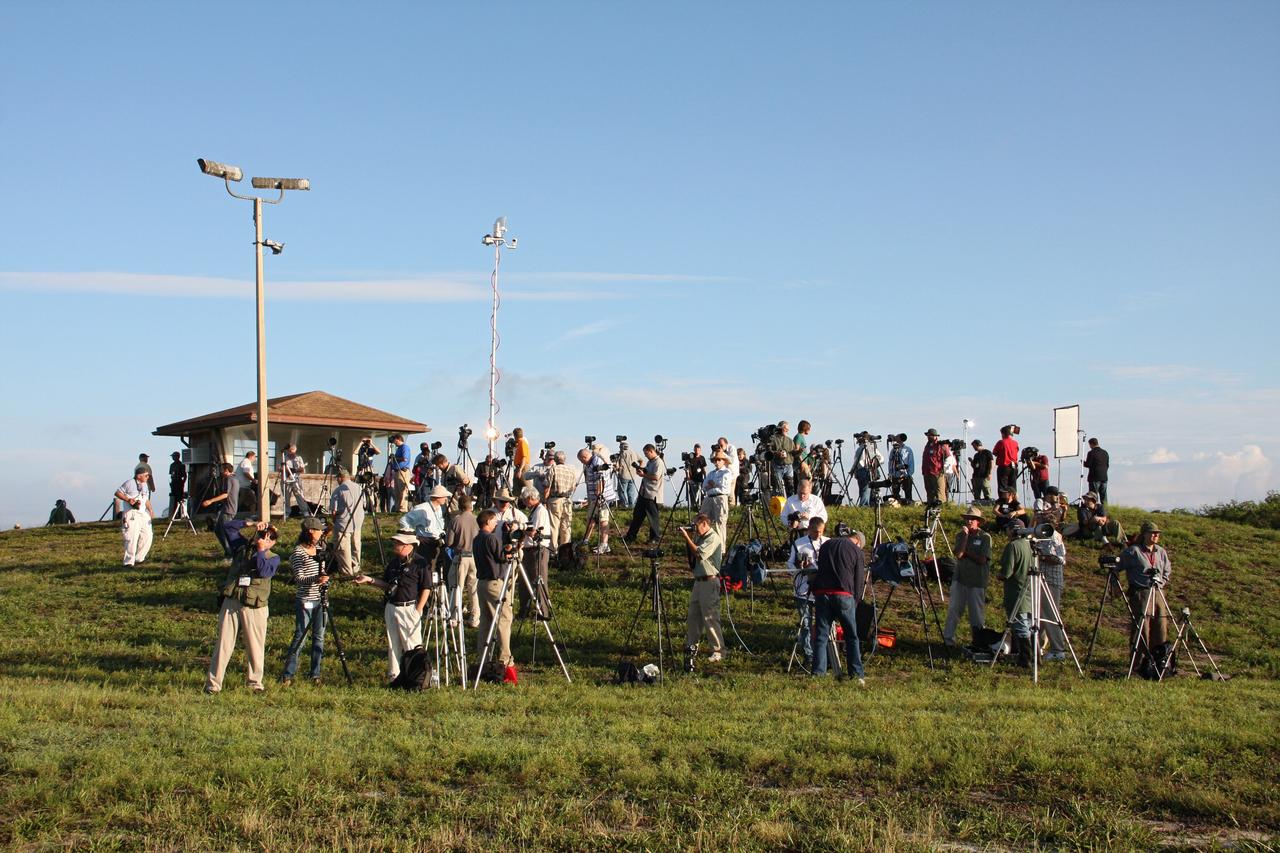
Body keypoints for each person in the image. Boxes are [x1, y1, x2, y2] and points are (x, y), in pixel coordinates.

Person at [205, 521, 279, 694]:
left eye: (270, 537)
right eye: (262, 534)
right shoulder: (241, 547)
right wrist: (251, 523)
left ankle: (255, 683)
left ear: (274, 542)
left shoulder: (273, 558)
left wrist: (261, 550)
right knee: (223, 644)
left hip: (254, 607)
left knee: (255, 646)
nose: (264, 538)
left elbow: (263, 571)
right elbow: (227, 527)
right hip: (232, 601)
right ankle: (213, 685)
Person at [353, 532, 431, 683]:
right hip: (391, 606)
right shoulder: (394, 563)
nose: (395, 546)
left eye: (398, 543)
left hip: (409, 608)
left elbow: (426, 588)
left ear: (408, 546)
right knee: (392, 643)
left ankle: (416, 677)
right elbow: (387, 584)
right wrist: (369, 580)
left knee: (412, 644)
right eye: (395, 543)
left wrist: (419, 609)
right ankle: (394, 677)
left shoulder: (420, 563)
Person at [810, 526, 867, 683]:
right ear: (858, 542)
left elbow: (820, 568)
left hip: (822, 593)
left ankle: (818, 673)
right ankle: (856, 673)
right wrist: (854, 603)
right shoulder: (857, 552)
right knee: (851, 637)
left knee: (821, 636)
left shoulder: (826, 545)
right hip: (844, 595)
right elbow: (858, 581)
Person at [281, 517, 330, 685]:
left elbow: (324, 572)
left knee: (319, 637)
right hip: (306, 600)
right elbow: (299, 578)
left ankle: (315, 673)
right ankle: (288, 674)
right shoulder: (298, 553)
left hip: (321, 599)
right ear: (310, 531)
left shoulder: (319, 550)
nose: (321, 533)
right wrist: (316, 579)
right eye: (319, 531)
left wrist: (325, 579)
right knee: (301, 635)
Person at [1120, 521, 1172, 671]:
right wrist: (1116, 586)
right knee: (1142, 628)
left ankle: (1160, 661)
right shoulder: (1133, 551)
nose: (1156, 535)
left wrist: (1161, 582)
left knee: (1161, 626)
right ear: (1145, 534)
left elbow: (1167, 570)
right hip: (1141, 592)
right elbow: (1118, 566)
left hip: (1157, 591)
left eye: (1158, 533)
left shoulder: (1160, 551)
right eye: (1153, 533)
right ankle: (1138, 663)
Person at [942, 505, 993, 648]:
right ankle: (948, 639)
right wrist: (965, 538)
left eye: (973, 519)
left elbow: (983, 559)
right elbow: (958, 554)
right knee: (954, 609)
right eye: (968, 519)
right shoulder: (960, 535)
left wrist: (967, 554)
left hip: (977, 581)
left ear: (978, 522)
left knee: (976, 614)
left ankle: (978, 642)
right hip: (960, 579)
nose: (969, 521)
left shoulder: (985, 538)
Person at [679, 514, 724, 671]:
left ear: (705, 524)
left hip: (710, 581)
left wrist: (687, 538)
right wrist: (690, 538)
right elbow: (693, 557)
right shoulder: (700, 538)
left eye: (696, 526)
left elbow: (699, 554)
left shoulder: (713, 538)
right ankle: (691, 647)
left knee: (710, 617)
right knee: (693, 616)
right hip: (698, 582)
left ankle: (718, 651)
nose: (695, 529)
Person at [473, 509, 515, 674]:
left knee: (486, 621)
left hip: (481, 583)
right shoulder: (491, 538)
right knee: (504, 619)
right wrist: (511, 550)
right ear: (487, 522)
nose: (496, 523)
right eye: (494, 521)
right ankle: (506, 658)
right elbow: (501, 557)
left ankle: (484, 657)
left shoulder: (477, 539)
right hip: (494, 583)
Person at [786, 516, 827, 668]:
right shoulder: (799, 543)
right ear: (809, 529)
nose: (819, 535)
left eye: (821, 532)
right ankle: (809, 654)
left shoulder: (828, 542)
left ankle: (823, 653)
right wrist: (799, 569)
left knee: (823, 623)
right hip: (803, 589)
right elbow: (789, 564)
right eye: (816, 532)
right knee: (806, 623)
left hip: (822, 589)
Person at [1034, 507, 1069, 661]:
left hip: (1051, 581)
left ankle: (1057, 648)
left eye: (1041, 522)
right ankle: (1040, 645)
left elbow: (1060, 559)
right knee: (1040, 615)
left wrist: (1041, 557)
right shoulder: (1041, 536)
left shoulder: (1055, 537)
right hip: (1040, 579)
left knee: (1050, 614)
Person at [999, 521, 1035, 666]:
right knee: (1030, 625)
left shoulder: (1013, 546)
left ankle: (1026, 659)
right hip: (1029, 592)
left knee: (1020, 626)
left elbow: (1006, 572)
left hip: (1016, 591)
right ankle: (1036, 657)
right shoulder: (1030, 545)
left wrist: (999, 575)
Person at [443, 494, 480, 629]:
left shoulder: (456, 521)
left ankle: (454, 616)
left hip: (461, 556)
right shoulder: (477, 520)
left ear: (459, 506)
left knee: (455, 587)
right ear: (471, 506)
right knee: (473, 588)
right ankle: (475, 617)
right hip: (475, 557)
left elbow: (449, 542)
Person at [519, 487, 553, 618]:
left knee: (539, 580)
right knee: (525, 581)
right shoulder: (534, 510)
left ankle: (543, 611)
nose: (523, 501)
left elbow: (534, 532)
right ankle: (526, 610)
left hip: (538, 549)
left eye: (524, 498)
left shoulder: (540, 511)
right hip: (530, 549)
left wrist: (521, 529)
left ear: (530, 498)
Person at [327, 467, 365, 578]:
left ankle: (346, 571)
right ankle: (355, 566)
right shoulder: (359, 487)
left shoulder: (338, 491)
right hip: (357, 522)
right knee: (356, 545)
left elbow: (334, 511)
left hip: (343, 523)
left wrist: (334, 522)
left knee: (343, 548)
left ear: (340, 478)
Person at [114, 466, 154, 567]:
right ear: (139, 476)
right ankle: (128, 562)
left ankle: (139, 558)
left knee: (148, 535)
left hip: (143, 513)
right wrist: (128, 500)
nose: (148, 477)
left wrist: (150, 510)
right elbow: (118, 493)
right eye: (146, 475)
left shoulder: (145, 485)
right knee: (131, 537)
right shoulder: (129, 483)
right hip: (131, 514)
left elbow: (146, 499)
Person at [624, 443, 664, 545]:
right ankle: (630, 536)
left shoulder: (659, 462)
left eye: (646, 453)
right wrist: (642, 471)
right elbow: (647, 473)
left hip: (652, 494)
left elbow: (656, 477)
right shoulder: (650, 462)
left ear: (651, 451)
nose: (645, 455)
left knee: (653, 518)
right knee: (637, 516)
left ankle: (655, 538)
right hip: (644, 493)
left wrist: (644, 474)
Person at [579, 444, 614, 554]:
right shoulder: (589, 463)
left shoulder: (597, 461)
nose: (581, 463)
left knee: (603, 520)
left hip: (603, 497)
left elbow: (601, 479)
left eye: (581, 460)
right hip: (594, 498)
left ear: (585, 457)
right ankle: (585, 540)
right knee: (591, 518)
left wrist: (599, 495)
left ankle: (604, 544)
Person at [201, 462, 240, 558]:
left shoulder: (229, 479)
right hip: (227, 508)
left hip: (228, 510)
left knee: (224, 533)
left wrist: (211, 501)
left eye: (222, 469)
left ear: (226, 470)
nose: (220, 472)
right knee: (218, 530)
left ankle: (230, 554)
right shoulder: (235, 479)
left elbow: (225, 494)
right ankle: (230, 552)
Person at [545, 450, 578, 557]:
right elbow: (574, 486)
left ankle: (552, 550)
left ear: (555, 459)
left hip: (555, 500)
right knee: (566, 527)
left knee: (554, 526)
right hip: (567, 500)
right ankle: (565, 552)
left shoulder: (553, 469)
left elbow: (547, 487)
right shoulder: (571, 470)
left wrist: (544, 501)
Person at [700, 451, 732, 546]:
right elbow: (704, 486)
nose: (717, 462)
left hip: (720, 497)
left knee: (720, 523)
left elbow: (724, 487)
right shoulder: (711, 473)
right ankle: (705, 544)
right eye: (715, 460)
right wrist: (714, 484)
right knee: (703, 520)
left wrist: (713, 484)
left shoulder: (727, 472)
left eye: (719, 460)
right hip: (709, 498)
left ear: (724, 461)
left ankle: (721, 547)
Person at [921, 429, 953, 505]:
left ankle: (941, 507)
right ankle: (930, 506)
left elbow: (949, 458)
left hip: (937, 472)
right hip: (927, 471)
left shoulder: (941, 445)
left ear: (935, 436)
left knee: (940, 491)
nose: (928, 437)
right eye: (928, 435)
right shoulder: (927, 445)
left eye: (930, 435)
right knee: (929, 490)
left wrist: (943, 468)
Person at [279, 443, 310, 519]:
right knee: (286, 497)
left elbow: (302, 470)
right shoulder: (284, 458)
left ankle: (305, 511)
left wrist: (298, 469)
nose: (291, 452)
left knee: (299, 495)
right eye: (289, 451)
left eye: (292, 450)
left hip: (296, 479)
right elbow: (280, 468)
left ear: (295, 450)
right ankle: (287, 512)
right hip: (287, 479)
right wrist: (287, 470)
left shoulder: (299, 458)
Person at [768, 421, 798, 498]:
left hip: (788, 466)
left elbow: (794, 454)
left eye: (788, 429)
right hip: (777, 466)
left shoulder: (790, 440)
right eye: (785, 428)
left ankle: (790, 507)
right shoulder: (773, 439)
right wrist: (777, 454)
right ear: (780, 428)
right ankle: (777, 507)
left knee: (790, 488)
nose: (787, 430)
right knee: (777, 489)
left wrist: (799, 451)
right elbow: (768, 451)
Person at [852, 435, 884, 506]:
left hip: (865, 470)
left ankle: (865, 505)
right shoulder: (862, 448)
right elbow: (856, 461)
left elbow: (881, 459)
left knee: (865, 489)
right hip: (862, 470)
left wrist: (874, 464)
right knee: (864, 489)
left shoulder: (868, 447)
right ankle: (864, 505)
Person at [888, 434, 915, 504]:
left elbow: (911, 463)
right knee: (895, 493)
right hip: (895, 475)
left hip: (905, 474)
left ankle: (908, 504)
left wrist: (908, 474)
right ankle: (896, 505)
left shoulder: (907, 450)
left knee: (908, 492)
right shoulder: (893, 450)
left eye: (897, 437)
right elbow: (891, 462)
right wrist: (891, 473)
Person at [993, 426, 1020, 498]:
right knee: (1013, 485)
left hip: (1004, 466)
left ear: (1003, 434)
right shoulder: (1015, 443)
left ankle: (1003, 501)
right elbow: (1017, 451)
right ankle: (1014, 501)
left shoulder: (1001, 442)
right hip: (1014, 466)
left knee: (1003, 486)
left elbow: (995, 452)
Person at [615, 440, 642, 509]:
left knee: (621, 492)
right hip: (632, 475)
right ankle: (631, 506)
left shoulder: (622, 453)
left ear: (621, 446)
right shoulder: (634, 452)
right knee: (631, 492)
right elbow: (641, 460)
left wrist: (616, 469)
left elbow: (618, 466)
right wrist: (638, 468)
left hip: (623, 475)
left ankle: (625, 505)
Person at [1084, 438, 1110, 508]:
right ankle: (1105, 510)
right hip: (1104, 477)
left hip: (1094, 477)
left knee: (1093, 496)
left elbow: (1088, 464)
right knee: (1104, 496)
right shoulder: (1105, 452)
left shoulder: (1091, 453)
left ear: (1091, 444)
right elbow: (1107, 465)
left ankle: (1093, 509)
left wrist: (1083, 463)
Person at [389, 434, 413, 511]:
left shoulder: (404, 447)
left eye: (395, 441)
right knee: (397, 491)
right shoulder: (398, 448)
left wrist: (395, 458)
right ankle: (397, 507)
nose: (394, 443)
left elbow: (405, 459)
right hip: (397, 471)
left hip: (403, 471)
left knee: (402, 490)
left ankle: (402, 509)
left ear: (399, 439)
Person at [685, 443, 707, 508]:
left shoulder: (702, 458)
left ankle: (702, 506)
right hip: (692, 478)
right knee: (693, 493)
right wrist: (688, 477)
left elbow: (704, 468)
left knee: (702, 493)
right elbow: (687, 468)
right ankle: (693, 506)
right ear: (694, 449)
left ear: (700, 450)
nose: (697, 450)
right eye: (696, 448)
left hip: (700, 478)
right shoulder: (691, 457)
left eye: (698, 448)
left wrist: (705, 477)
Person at [167, 451, 187, 517]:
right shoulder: (172, 465)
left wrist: (182, 483)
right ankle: (174, 514)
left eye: (174, 456)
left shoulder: (181, 464)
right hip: (174, 483)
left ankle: (179, 514)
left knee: (179, 499)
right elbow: (171, 475)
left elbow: (184, 475)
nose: (173, 457)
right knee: (174, 498)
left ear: (177, 457)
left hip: (179, 482)